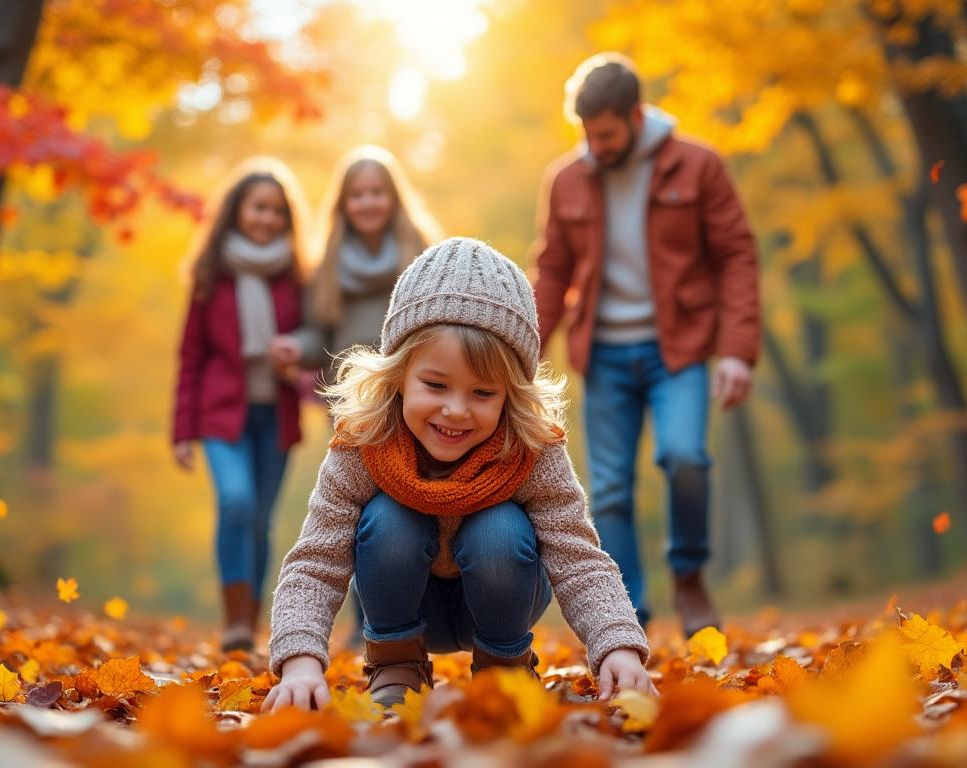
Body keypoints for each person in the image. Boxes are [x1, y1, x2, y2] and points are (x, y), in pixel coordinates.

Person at [262, 237, 654, 711]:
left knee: (499, 528)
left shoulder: (530, 447)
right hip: (404, 603)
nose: (455, 410)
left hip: (499, 597)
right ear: (398, 375)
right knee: (388, 517)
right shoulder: (364, 442)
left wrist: (618, 644)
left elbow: (577, 556)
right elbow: (316, 560)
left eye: (483, 393)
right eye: (435, 384)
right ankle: (396, 664)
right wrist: (300, 660)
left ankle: (503, 669)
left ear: (511, 394)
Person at [531, 53, 760, 636]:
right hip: (603, 353)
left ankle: (689, 577)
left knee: (685, 456)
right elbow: (553, 272)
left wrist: (736, 350)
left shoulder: (697, 165)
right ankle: (627, 613)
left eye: (605, 134)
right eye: (586, 134)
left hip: (676, 348)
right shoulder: (566, 179)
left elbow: (736, 255)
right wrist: (522, 352)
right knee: (607, 488)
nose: (595, 146)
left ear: (634, 116)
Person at [269, 147, 441, 647]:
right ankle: (365, 617)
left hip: (416, 398)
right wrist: (293, 348)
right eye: (357, 195)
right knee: (359, 507)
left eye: (376, 193)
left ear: (393, 197)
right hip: (353, 403)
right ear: (344, 204)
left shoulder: (420, 251)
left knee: (410, 499)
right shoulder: (327, 265)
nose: (367, 203)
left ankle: (414, 611)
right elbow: (315, 332)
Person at [171, 158, 310, 653]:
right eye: (258, 208)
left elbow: (315, 336)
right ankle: (235, 620)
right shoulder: (212, 276)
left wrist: (298, 351)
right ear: (237, 211)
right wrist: (181, 431)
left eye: (276, 210)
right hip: (221, 415)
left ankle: (248, 624)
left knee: (262, 520)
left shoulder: (297, 277)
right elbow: (190, 355)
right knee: (236, 503)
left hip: (276, 416)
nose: (267, 218)